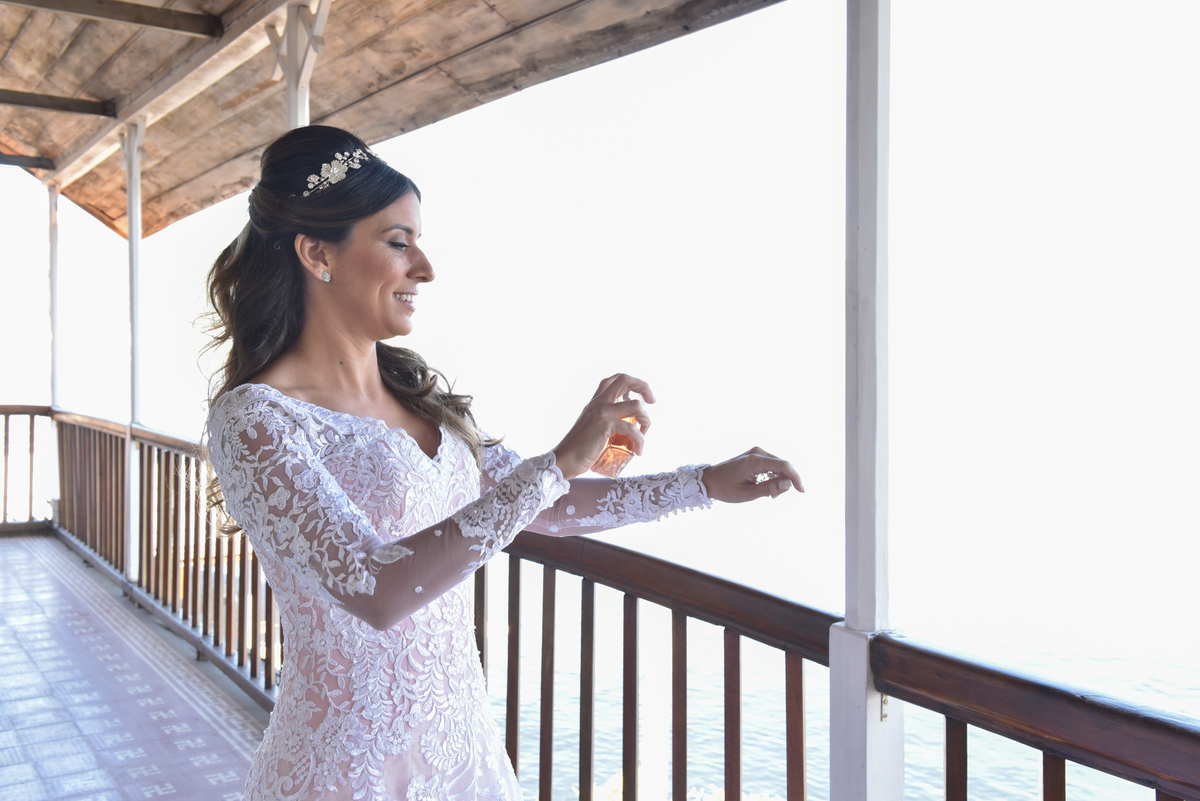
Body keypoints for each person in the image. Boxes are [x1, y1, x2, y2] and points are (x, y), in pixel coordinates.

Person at [204, 125, 803, 801]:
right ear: (318, 253)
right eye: (399, 243)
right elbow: (377, 589)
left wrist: (702, 483)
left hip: (464, 754)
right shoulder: (257, 419)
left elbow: (548, 506)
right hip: (346, 771)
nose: (425, 268)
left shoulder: (418, 396)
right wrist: (558, 461)